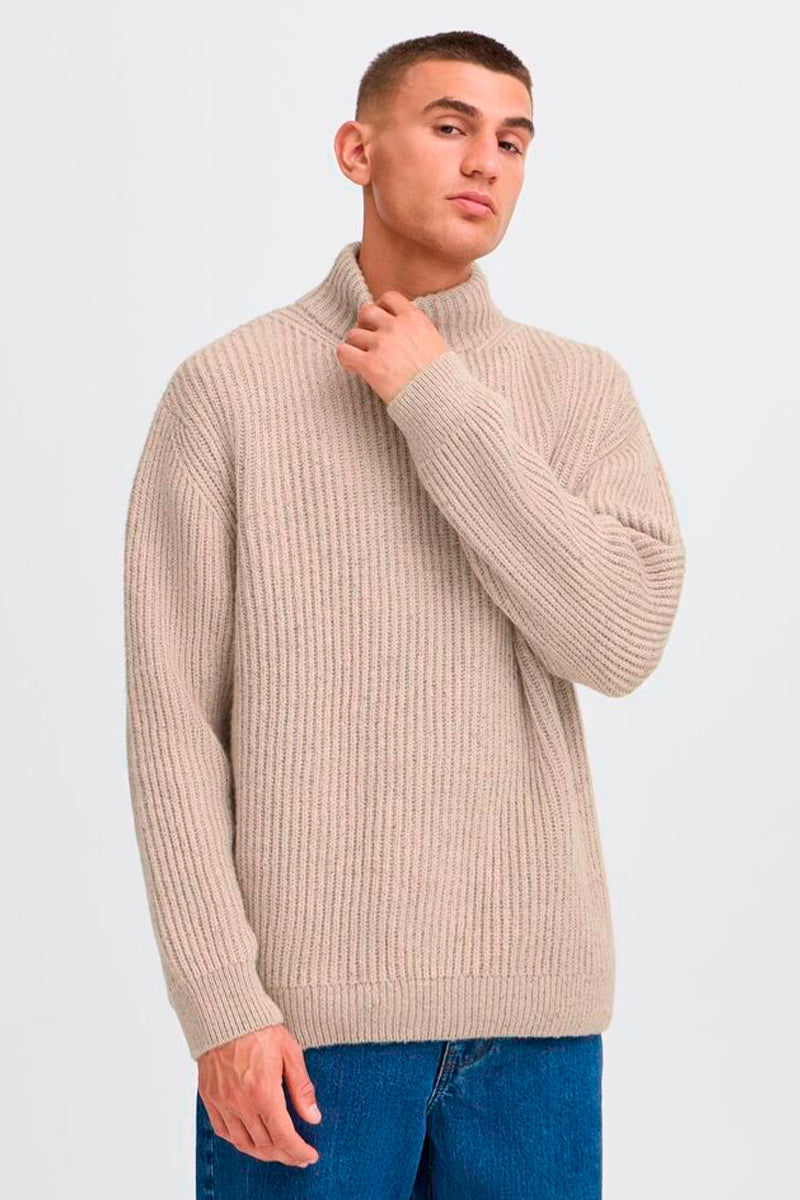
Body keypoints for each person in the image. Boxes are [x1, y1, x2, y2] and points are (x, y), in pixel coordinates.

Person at [123, 29, 686, 1200]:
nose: (485, 161)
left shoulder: (578, 389)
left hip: (532, 1027)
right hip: (306, 1030)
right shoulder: (227, 392)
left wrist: (437, 398)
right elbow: (172, 726)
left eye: (512, 140)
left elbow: (619, 639)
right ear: (356, 149)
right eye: (448, 126)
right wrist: (221, 1005)